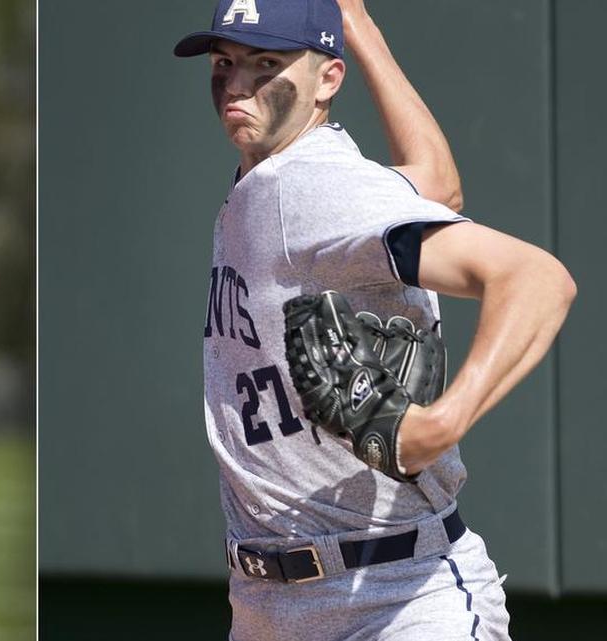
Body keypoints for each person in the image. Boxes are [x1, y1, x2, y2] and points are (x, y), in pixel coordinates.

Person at [174, 0, 575, 639]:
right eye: (225, 62)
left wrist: (442, 422)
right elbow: (439, 188)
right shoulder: (278, 175)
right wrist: (357, 21)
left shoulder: (310, 186)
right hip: (268, 607)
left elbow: (537, 278)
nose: (238, 84)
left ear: (327, 80)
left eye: (266, 63)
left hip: (395, 598)